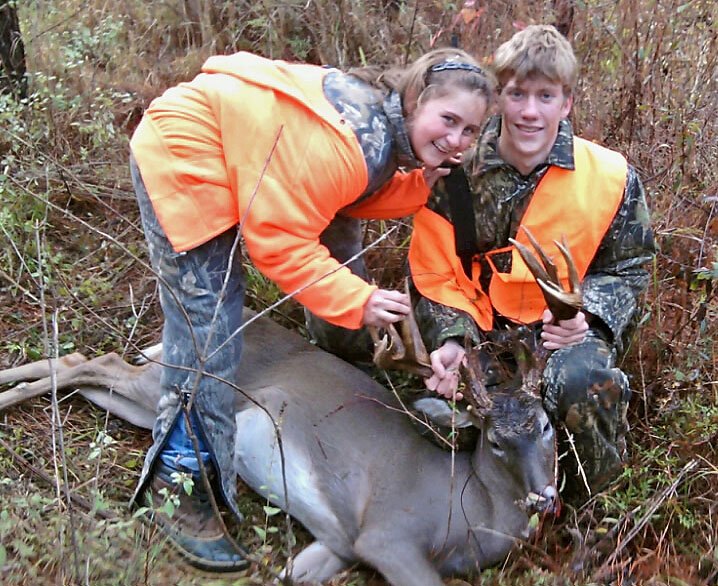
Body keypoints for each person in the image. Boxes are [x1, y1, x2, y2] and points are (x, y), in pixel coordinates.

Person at [128, 48, 493, 571]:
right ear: (415, 100)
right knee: (209, 318)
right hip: (187, 155)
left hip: (239, 154)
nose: (456, 140)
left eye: (470, 130)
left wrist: (419, 185)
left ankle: (343, 364)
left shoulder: (381, 132)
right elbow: (278, 241)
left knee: (321, 250)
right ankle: (180, 481)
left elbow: (346, 195)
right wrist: (358, 300)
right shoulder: (352, 144)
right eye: (448, 120)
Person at [407, 25, 656, 501]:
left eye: (546, 96)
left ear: (566, 103)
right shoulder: (454, 174)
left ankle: (589, 508)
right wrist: (452, 339)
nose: (529, 111)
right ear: (499, 97)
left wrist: (586, 317)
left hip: (563, 333)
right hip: (481, 328)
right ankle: (483, 509)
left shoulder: (610, 178)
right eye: (517, 94)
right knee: (433, 409)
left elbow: (629, 266)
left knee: (584, 385)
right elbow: (433, 274)